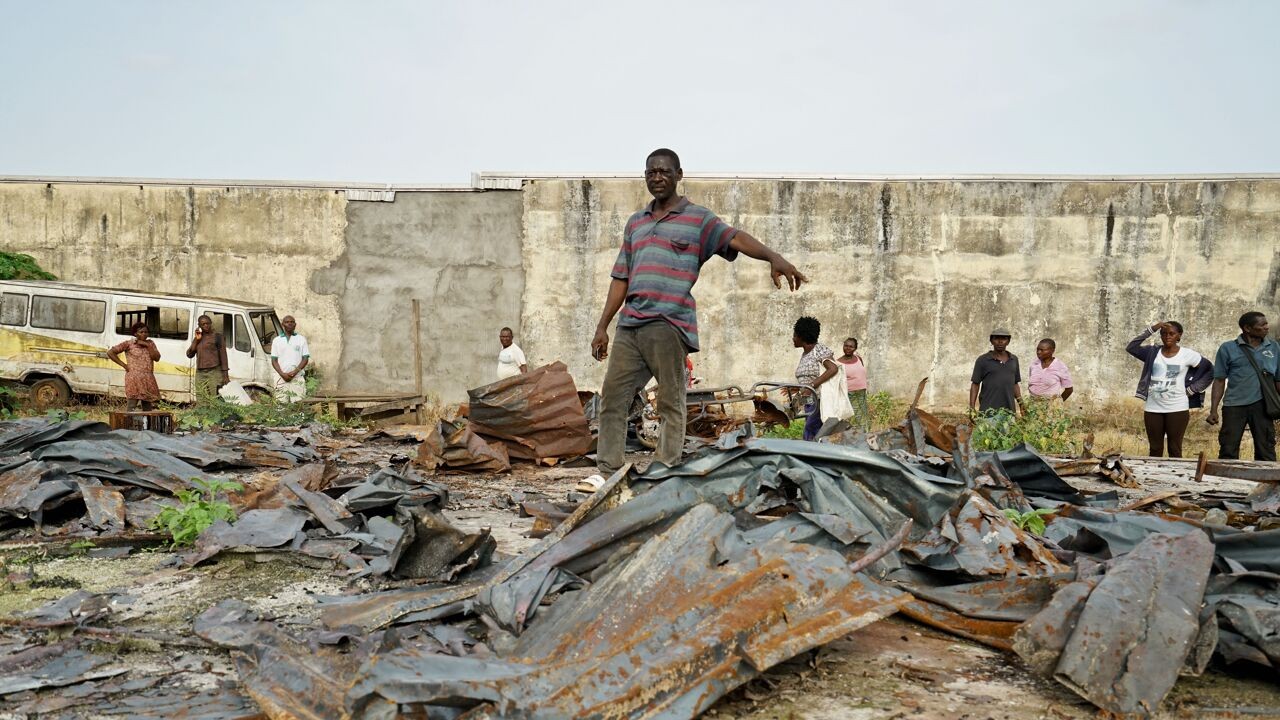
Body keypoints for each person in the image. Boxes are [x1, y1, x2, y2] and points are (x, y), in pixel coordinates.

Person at [590, 148, 805, 475]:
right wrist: (602, 326)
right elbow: (621, 277)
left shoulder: (698, 219)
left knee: (670, 404)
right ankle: (608, 474)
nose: (657, 177)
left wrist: (773, 256)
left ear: (678, 174)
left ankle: (664, 471)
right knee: (612, 401)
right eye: (651, 172)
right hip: (629, 326)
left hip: (668, 323)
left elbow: (734, 237)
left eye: (664, 171)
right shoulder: (636, 223)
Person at [1125, 321, 1212, 458]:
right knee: (1155, 448)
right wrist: (1153, 328)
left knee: (1175, 448)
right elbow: (1131, 347)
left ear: (1179, 335)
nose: (1167, 336)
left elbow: (1209, 371)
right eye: (1164, 334)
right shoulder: (1152, 353)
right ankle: (1154, 477)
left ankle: (1175, 477)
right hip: (1153, 408)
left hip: (1177, 407)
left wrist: (1193, 389)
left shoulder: (1187, 354)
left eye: (1172, 334)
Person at [1207, 311, 1280, 461]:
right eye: (1263, 325)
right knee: (1228, 449)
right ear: (1247, 328)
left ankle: (1265, 483)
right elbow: (1219, 380)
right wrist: (1213, 410)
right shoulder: (1227, 348)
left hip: (1263, 406)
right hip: (1234, 406)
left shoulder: (1274, 347)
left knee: (1266, 450)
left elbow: (1278, 380)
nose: (1267, 327)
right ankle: (1228, 483)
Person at [793, 317, 841, 440]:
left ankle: (811, 455)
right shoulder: (805, 354)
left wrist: (811, 386)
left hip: (820, 400)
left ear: (802, 336)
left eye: (795, 335)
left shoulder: (818, 349)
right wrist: (798, 388)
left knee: (811, 431)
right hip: (809, 402)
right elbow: (810, 376)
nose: (793, 338)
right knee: (815, 432)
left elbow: (833, 368)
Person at [107, 322, 162, 410]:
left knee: (147, 407)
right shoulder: (129, 344)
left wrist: (147, 345)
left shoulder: (150, 343)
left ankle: (146, 423)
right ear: (135, 334)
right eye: (141, 332)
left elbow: (156, 358)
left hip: (147, 378)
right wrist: (124, 365)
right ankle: (129, 423)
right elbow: (110, 352)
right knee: (132, 405)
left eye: (146, 332)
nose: (144, 334)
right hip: (134, 378)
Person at [969, 329, 1022, 415]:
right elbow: (975, 384)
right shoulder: (983, 360)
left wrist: (1021, 404)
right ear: (991, 341)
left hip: (1009, 412)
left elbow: (1015, 384)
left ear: (1008, 341)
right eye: (996, 338)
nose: (1000, 342)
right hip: (988, 412)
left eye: (1004, 338)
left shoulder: (1014, 360)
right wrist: (972, 408)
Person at [186, 314, 229, 399]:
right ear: (199, 326)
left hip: (214, 372)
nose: (206, 326)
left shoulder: (218, 337)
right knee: (201, 398)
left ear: (211, 323)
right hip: (200, 373)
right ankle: (203, 413)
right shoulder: (198, 338)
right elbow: (189, 354)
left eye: (207, 323)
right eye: (203, 324)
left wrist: (225, 376)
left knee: (214, 399)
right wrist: (197, 340)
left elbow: (223, 356)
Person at [270, 315, 310, 402]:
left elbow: (305, 359)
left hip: (297, 378)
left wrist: (294, 372)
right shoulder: (277, 340)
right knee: (280, 405)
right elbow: (274, 360)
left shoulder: (301, 339)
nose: (289, 324)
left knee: (298, 405)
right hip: (280, 378)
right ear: (282, 324)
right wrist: (282, 374)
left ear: (295, 325)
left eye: (292, 322)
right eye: (287, 322)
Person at [837, 337, 869, 431]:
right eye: (846, 346)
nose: (848, 348)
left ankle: (864, 435)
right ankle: (855, 436)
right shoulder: (838, 363)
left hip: (861, 393)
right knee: (853, 418)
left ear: (855, 348)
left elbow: (861, 373)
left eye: (851, 347)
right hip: (849, 394)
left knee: (863, 416)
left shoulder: (858, 358)